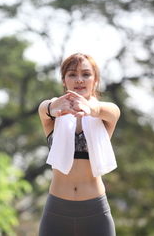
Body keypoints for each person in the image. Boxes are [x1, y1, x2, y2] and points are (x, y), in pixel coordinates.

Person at [38, 53, 120, 236]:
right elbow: (43, 109)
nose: (79, 80)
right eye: (72, 74)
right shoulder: (55, 114)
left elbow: (112, 111)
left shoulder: (104, 114)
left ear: (95, 80)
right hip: (56, 211)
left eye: (86, 74)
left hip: (96, 212)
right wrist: (53, 106)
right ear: (64, 80)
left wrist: (92, 109)